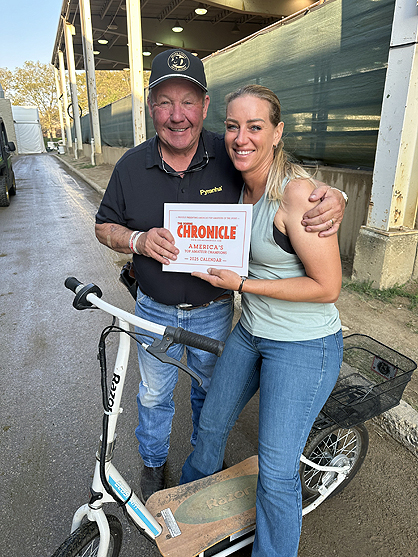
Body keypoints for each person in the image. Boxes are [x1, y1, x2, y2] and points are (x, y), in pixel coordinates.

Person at [95, 49, 346, 502]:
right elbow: (103, 226)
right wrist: (137, 240)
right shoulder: (130, 166)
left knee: (208, 397)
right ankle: (153, 464)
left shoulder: (230, 153)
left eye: (188, 102)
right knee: (153, 395)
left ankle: (204, 468)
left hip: (214, 310)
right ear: (151, 107)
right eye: (165, 102)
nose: (177, 115)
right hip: (154, 309)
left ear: (204, 105)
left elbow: (283, 176)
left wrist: (334, 196)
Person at [180, 84, 343, 557]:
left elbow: (327, 287)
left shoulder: (297, 194)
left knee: (275, 472)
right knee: (210, 428)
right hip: (251, 332)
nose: (241, 137)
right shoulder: (237, 185)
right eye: (232, 126)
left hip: (303, 344)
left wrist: (243, 284)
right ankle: (187, 526)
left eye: (255, 126)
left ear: (277, 132)